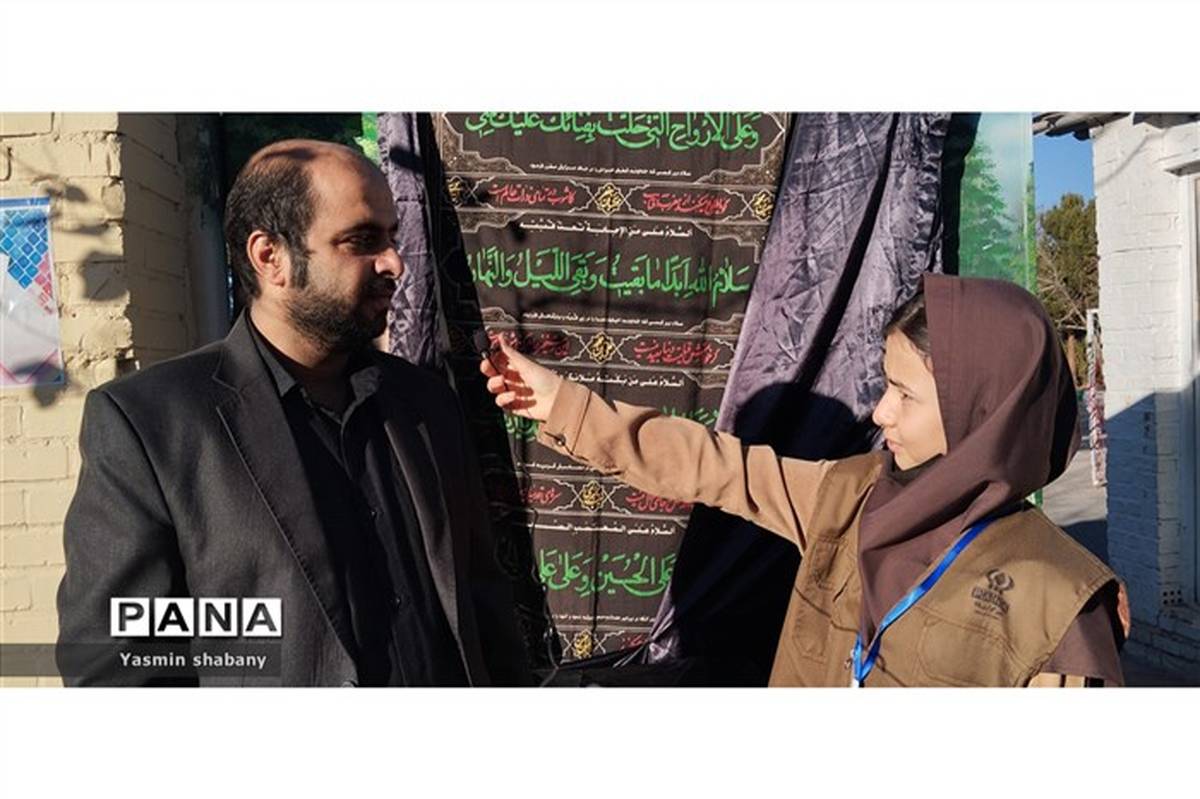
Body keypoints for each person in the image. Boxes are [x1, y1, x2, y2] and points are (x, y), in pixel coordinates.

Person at [481, 274, 1129, 687]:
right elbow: (718, 466)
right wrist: (564, 405)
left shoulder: (1059, 605)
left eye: (905, 395)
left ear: (982, 414)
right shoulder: (849, 495)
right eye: (885, 386)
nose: (880, 413)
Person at [57, 139, 530, 687]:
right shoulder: (151, 425)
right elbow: (121, 663)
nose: (394, 263)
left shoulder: (425, 403)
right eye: (362, 240)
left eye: (392, 238)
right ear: (270, 258)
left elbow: (483, 602)